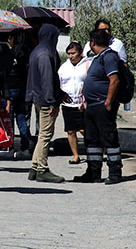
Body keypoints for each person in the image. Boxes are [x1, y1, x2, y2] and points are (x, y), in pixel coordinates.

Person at [74, 30, 123, 184]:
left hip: (102, 105)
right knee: (92, 140)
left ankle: (115, 172)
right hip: (92, 106)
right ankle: (93, 172)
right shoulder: (98, 57)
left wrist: (108, 102)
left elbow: (114, 80)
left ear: (93, 42)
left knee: (109, 139)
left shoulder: (109, 57)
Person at [25, 23, 66, 183]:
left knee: (42, 133)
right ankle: (42, 169)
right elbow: (47, 79)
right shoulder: (45, 54)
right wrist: (52, 102)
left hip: (38, 97)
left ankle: (35, 167)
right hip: (45, 99)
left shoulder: (38, 51)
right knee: (45, 135)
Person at [5, 28, 35, 158]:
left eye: (10, 38)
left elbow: (5, 75)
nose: (9, 41)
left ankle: (10, 147)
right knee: (22, 118)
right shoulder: (28, 54)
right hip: (24, 89)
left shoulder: (9, 54)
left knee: (9, 119)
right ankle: (25, 147)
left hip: (11, 91)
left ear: (14, 39)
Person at [58, 43, 88, 165]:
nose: (71, 56)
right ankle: (76, 155)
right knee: (71, 131)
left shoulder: (87, 65)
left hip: (83, 104)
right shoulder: (63, 68)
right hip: (68, 104)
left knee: (83, 130)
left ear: (80, 53)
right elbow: (58, 83)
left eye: (73, 53)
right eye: (69, 54)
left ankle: (93, 151)